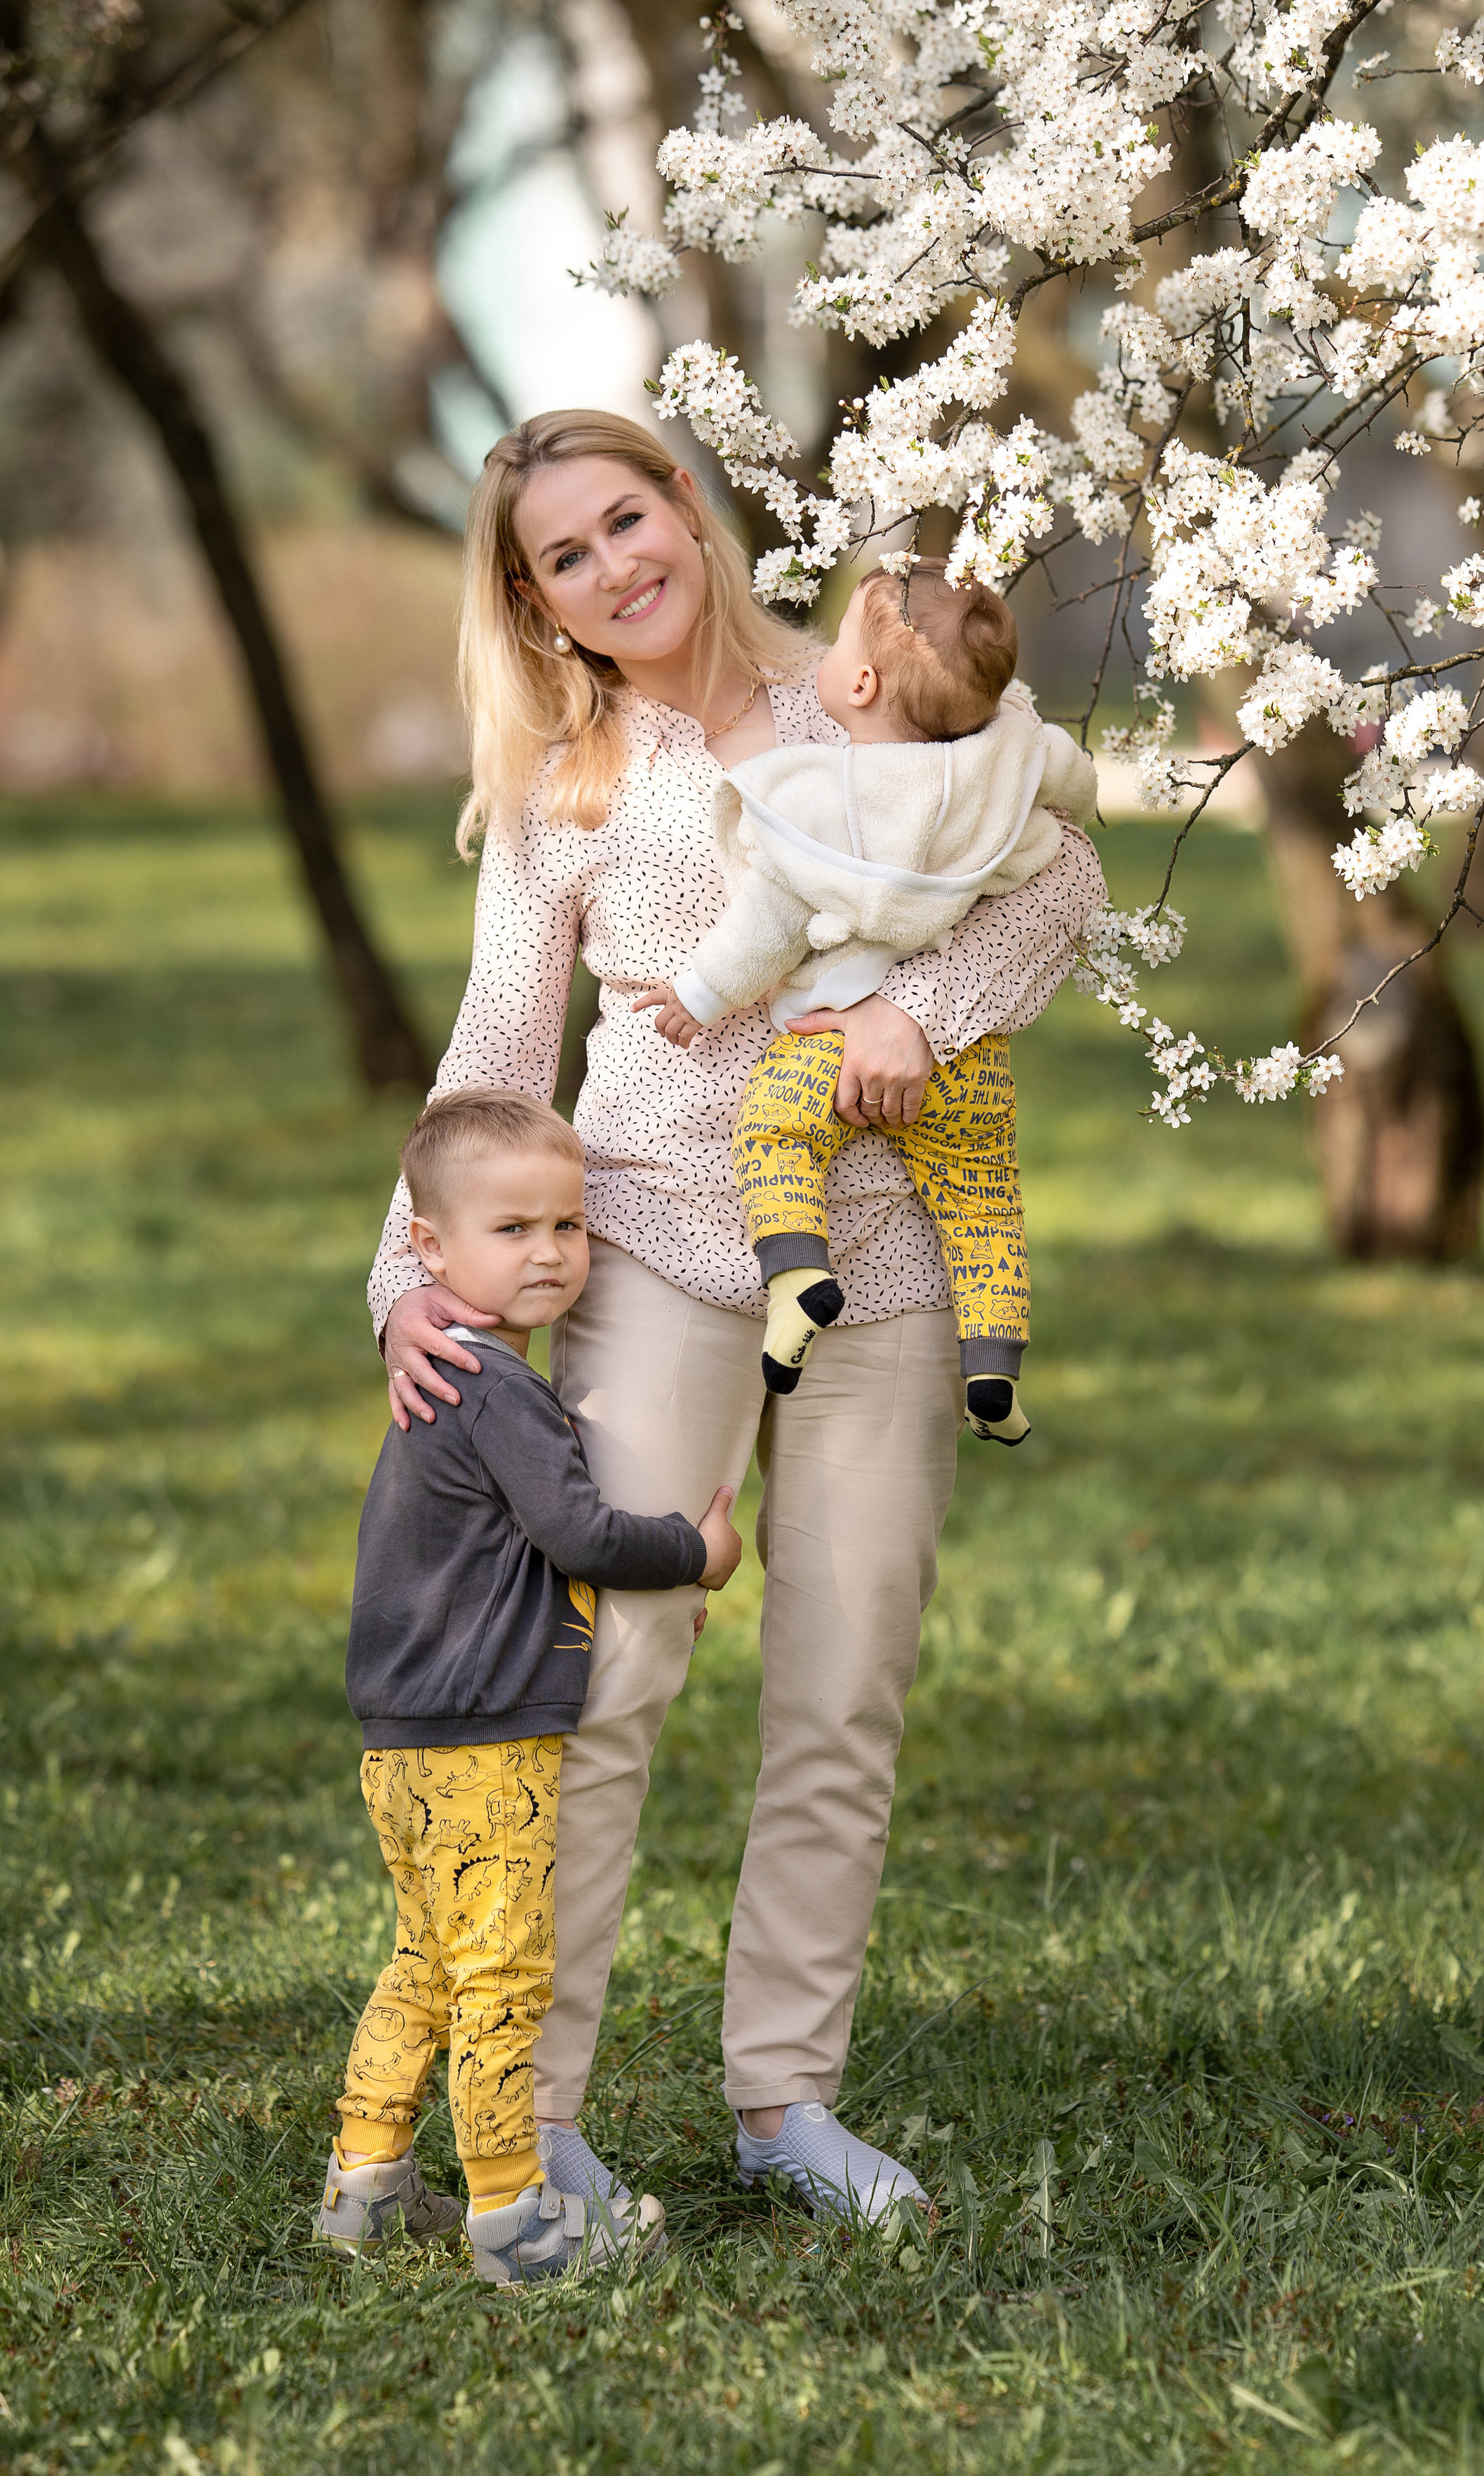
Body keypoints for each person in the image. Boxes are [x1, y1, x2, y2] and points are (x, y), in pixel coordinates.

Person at [372, 408, 1107, 2231]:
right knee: (610, 1669)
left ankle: (784, 2106)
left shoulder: (884, 681)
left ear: (690, 513)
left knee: (844, 1679)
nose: (615, 564)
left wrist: (922, 1012)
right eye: (566, 555)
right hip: (657, 1244)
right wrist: (406, 1274)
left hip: (892, 1263)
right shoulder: (568, 791)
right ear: (538, 606)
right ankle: (530, 2117)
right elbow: (490, 1058)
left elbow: (1069, 882)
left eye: (631, 518)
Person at [321, 1085, 741, 2286]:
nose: (551, 1253)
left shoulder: (446, 1368)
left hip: (404, 1739)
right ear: (428, 1249)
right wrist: (694, 1553)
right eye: (514, 1231)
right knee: (501, 1981)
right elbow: (582, 1533)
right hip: (484, 1744)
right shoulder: (500, 1388)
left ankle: (366, 2185)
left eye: (569, 1225)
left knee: (425, 1965)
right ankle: (517, 2222)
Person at [633, 558, 1097, 1446]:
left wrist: (700, 995)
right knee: (985, 1197)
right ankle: (994, 1364)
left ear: (858, 680)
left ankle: (798, 1278)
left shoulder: (827, 799)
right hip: (972, 1064)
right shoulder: (1011, 752)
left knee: (774, 1132)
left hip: (826, 1047)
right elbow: (1073, 791)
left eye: (843, 635)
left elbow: (769, 919)